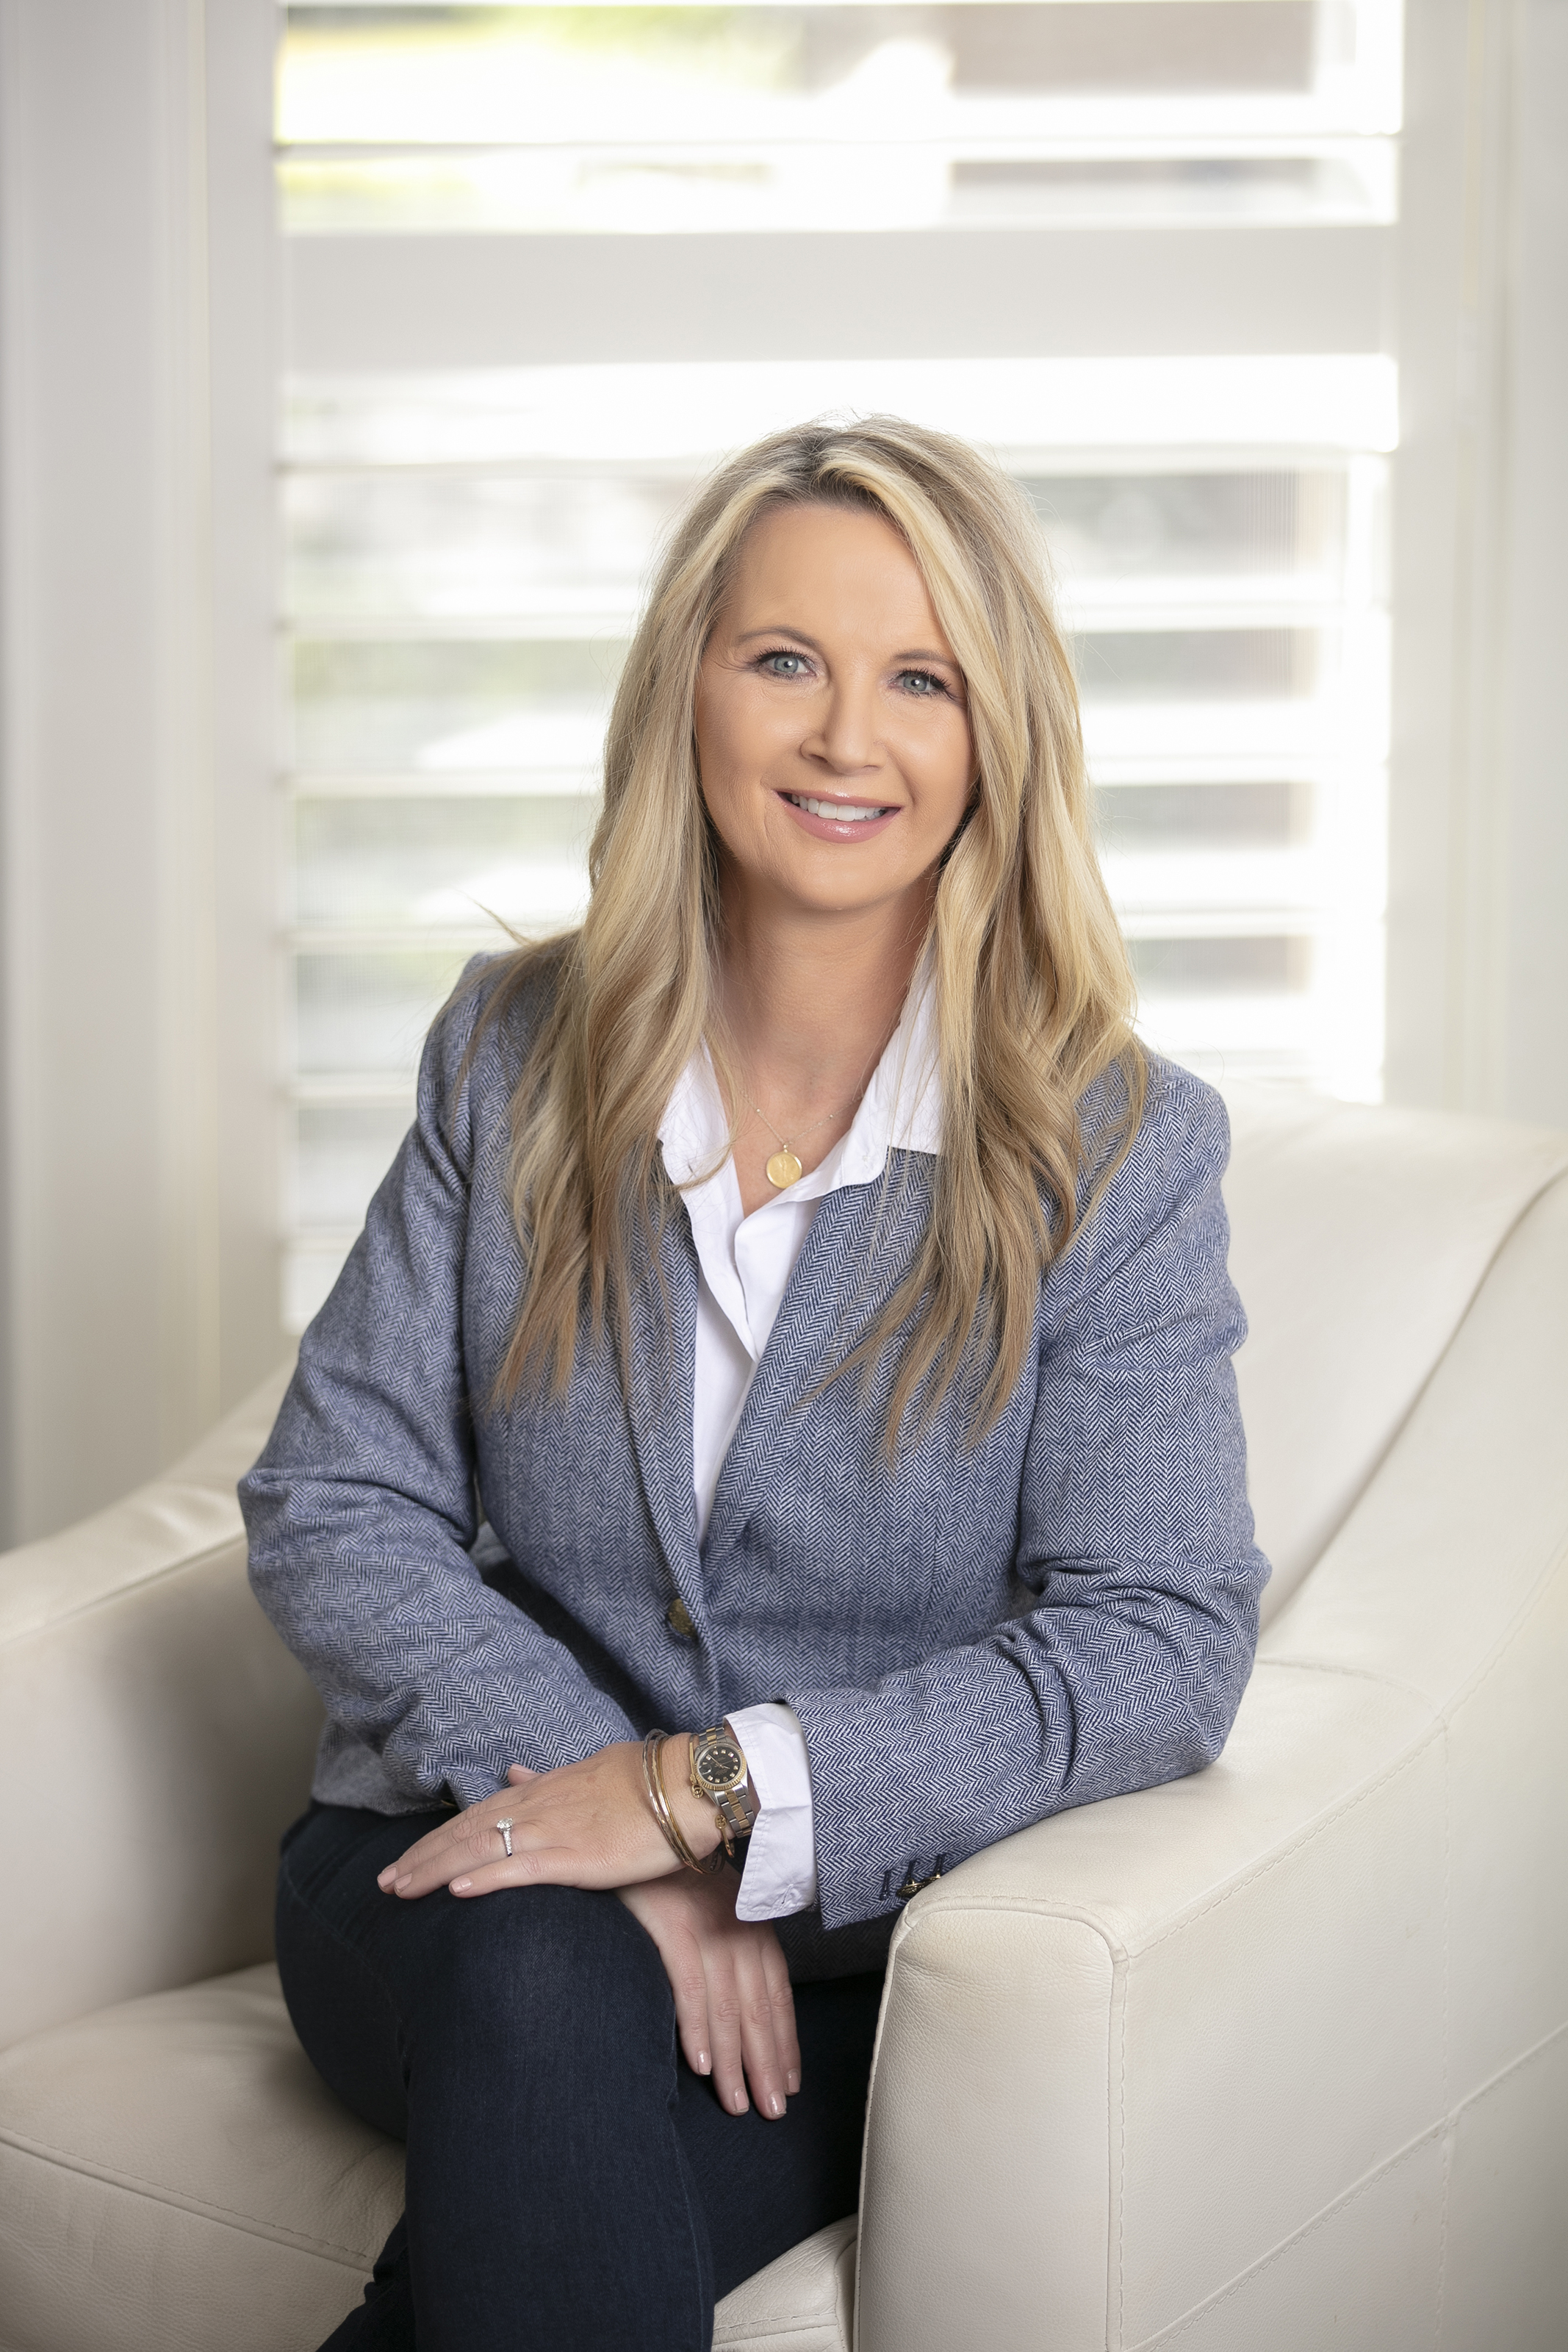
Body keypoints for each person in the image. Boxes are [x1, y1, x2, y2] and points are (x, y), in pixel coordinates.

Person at [240, 415, 1268, 2352]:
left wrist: (709, 1799)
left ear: (998, 736)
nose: (846, 738)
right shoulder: (511, 1052)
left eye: (922, 680)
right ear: (687, 692)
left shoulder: (1118, 1147)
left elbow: (1165, 1635)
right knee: (544, 1974)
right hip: (444, 1868)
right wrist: (600, 1814)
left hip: (846, 1950)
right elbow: (335, 1498)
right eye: (785, 659)